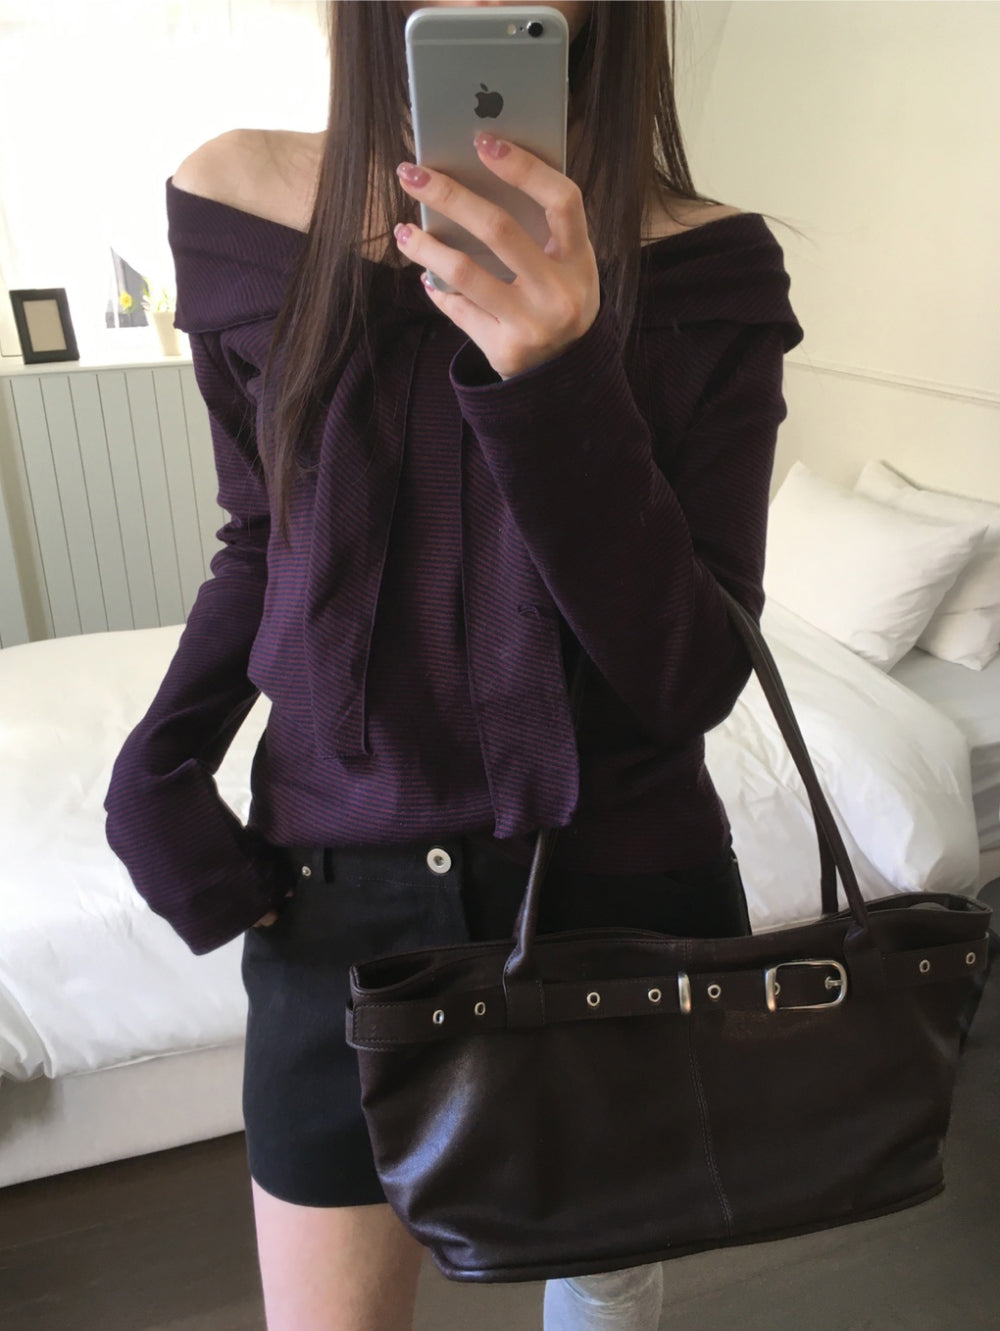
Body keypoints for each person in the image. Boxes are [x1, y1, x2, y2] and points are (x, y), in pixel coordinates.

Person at [104, 2, 804, 1328]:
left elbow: (688, 677)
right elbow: (265, 533)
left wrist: (555, 374)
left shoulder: (707, 265)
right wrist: (159, 764)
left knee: (604, 1297)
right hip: (335, 908)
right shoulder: (239, 200)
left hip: (616, 894)